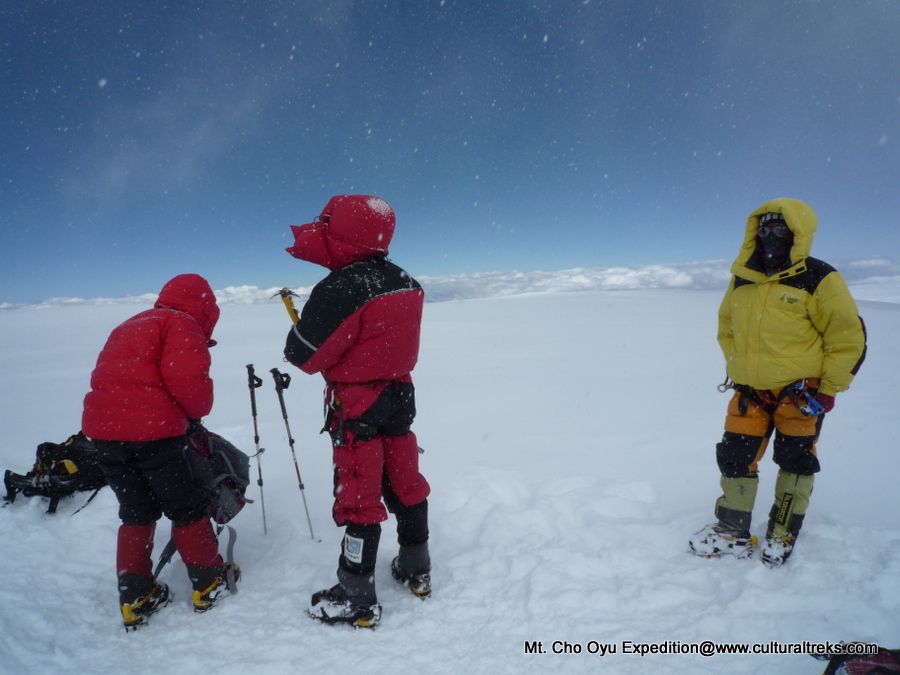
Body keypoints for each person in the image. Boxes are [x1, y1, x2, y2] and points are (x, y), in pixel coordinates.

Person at [689, 198, 867, 567]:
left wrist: (828, 389)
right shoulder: (743, 277)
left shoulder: (819, 277)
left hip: (800, 396)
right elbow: (727, 327)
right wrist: (742, 367)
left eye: (781, 229)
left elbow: (847, 338)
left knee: (795, 462)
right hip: (749, 394)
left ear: (797, 232)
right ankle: (732, 530)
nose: (771, 236)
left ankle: (782, 532)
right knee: (735, 457)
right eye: (765, 228)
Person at [282, 195, 431, 628]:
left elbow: (304, 355)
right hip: (400, 393)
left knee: (359, 491)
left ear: (342, 232)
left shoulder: (343, 287)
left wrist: (303, 329)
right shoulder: (404, 279)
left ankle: (355, 594)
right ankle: (416, 566)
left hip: (359, 402)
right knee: (404, 478)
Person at [82, 273, 240, 631]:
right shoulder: (182, 324)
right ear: (205, 308)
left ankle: (136, 595)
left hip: (104, 434)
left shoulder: (131, 323)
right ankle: (209, 581)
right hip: (153, 432)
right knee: (185, 505)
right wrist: (195, 413)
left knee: (136, 510)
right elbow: (188, 383)